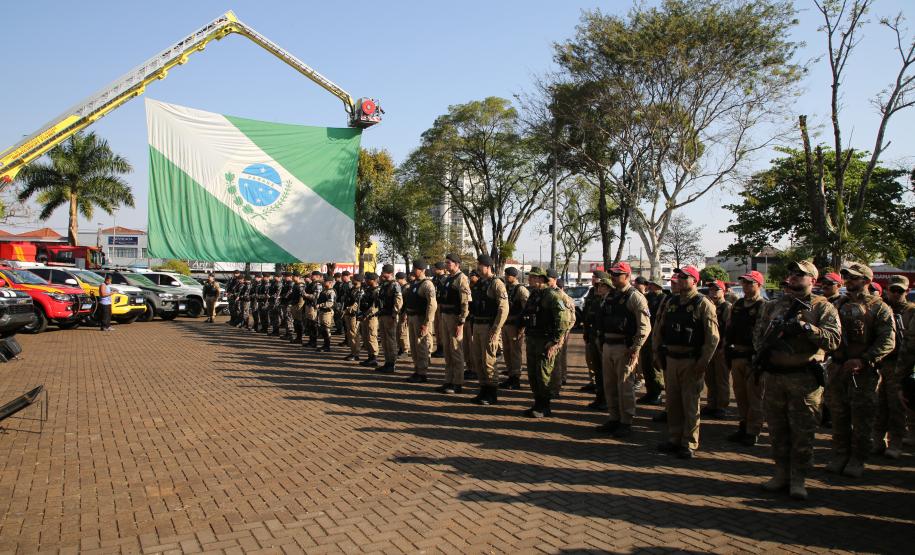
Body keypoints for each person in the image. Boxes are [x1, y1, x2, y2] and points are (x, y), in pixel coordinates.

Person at [756, 260, 840, 499]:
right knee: (777, 429)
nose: (793, 276)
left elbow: (833, 340)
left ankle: (798, 479)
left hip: (804, 379)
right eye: (792, 273)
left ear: (812, 280)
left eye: (800, 274)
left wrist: (807, 328)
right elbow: (759, 334)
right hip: (775, 376)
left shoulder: (822, 307)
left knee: (803, 432)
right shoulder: (773, 305)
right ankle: (781, 473)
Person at [825, 262, 895, 478]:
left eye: (854, 278)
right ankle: (840, 454)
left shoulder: (879, 307)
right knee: (839, 416)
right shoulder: (838, 305)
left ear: (866, 281)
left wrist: (864, 360)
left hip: (863, 372)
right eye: (847, 277)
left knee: (862, 419)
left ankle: (858, 458)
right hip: (838, 368)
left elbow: (888, 340)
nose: (849, 281)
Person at [653, 266, 719, 459]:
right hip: (671, 359)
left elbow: (712, 338)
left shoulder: (703, 303)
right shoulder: (671, 301)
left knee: (690, 403)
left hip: (691, 361)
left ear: (695, 281)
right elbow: (659, 328)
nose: (680, 279)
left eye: (685, 277)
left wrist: (703, 362)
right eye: (679, 276)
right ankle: (674, 438)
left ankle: (689, 442)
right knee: (673, 403)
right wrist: (657, 353)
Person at [595, 262, 651, 438]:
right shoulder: (610, 295)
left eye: (617, 274)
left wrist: (636, 348)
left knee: (625, 386)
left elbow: (644, 327)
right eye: (612, 274)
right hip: (609, 345)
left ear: (627, 276)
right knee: (609, 385)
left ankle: (626, 421)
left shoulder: (635, 297)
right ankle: (614, 418)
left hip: (624, 348)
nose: (613, 277)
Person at [874, 275, 915, 459]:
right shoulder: (881, 308)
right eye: (893, 290)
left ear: (907, 291)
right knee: (878, 405)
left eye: (901, 291)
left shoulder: (911, 311)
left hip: (900, 364)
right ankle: (877, 440)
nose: (897, 294)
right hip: (879, 363)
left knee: (896, 407)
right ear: (887, 290)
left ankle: (895, 443)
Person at [724, 270, 767, 447]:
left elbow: (763, 333)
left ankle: (753, 430)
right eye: (744, 282)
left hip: (752, 357)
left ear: (759, 285)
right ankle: (743, 425)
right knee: (740, 394)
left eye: (750, 283)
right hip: (737, 354)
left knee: (754, 396)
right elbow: (729, 326)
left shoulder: (763, 305)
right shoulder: (738, 304)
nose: (746, 286)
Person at [519, 267, 569, 417]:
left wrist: (554, 341)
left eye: (533, 277)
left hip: (544, 341)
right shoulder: (534, 294)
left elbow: (563, 320)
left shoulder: (552, 295)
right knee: (533, 374)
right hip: (532, 339)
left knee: (543, 374)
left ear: (541, 279)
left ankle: (545, 406)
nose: (529, 279)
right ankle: (537, 404)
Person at [469, 254, 509, 405]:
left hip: (489, 326)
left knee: (488, 360)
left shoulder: (496, 283)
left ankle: (492, 392)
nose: (478, 268)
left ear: (488, 266)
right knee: (478, 360)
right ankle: (483, 389)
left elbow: (503, 308)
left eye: (480, 265)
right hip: (478, 325)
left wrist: (496, 329)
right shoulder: (479, 283)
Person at [436, 254, 471, 394]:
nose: (446, 264)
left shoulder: (461, 278)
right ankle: (448, 380)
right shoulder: (448, 278)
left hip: (455, 318)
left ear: (457, 264)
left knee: (456, 350)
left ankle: (457, 382)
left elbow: (465, 302)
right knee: (447, 351)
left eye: (449, 262)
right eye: (446, 262)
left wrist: (461, 322)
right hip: (445, 316)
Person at [702, 280, 732, 419]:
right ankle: (711, 404)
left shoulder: (727, 307)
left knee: (721, 379)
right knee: (710, 378)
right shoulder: (709, 305)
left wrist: (724, 347)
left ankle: (722, 406)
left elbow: (728, 329)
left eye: (716, 290)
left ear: (723, 291)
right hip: (709, 348)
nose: (713, 292)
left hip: (720, 349)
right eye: (711, 290)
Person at [403, 260, 437, 383]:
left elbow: (432, 305)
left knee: (421, 346)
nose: (413, 270)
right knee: (414, 346)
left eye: (415, 268)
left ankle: (422, 373)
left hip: (420, 319)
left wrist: (426, 323)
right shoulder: (414, 283)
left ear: (422, 270)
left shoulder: (427, 284)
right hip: (412, 317)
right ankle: (417, 370)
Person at [582, 272, 610, 410]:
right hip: (593, 337)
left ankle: (606, 400)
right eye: (598, 286)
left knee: (605, 372)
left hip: (603, 341)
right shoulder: (596, 300)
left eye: (602, 286)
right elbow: (589, 317)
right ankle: (600, 398)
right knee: (597, 370)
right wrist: (587, 333)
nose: (599, 288)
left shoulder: (610, 301)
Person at [499, 267, 529, 391]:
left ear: (514, 276)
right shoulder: (506, 288)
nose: (506, 277)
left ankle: (515, 378)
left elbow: (527, 309)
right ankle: (510, 375)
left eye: (508, 275)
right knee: (507, 351)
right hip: (506, 324)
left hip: (515, 326)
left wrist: (522, 326)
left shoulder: (520, 289)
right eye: (506, 275)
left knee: (515, 352)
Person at [639, 279, 667, 405]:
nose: (649, 286)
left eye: (652, 284)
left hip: (656, 336)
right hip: (646, 336)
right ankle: (650, 392)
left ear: (658, 286)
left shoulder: (664, 298)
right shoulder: (646, 297)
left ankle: (657, 394)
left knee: (655, 367)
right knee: (646, 366)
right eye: (649, 284)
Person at [548, 273, 576, 398]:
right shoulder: (548, 295)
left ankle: (556, 386)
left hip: (560, 332)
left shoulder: (564, 298)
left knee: (557, 360)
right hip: (550, 332)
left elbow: (571, 319)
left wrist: (563, 333)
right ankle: (554, 382)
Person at [376, 264, 403, 373]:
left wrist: (394, 314)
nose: (382, 273)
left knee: (391, 341)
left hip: (390, 316)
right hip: (383, 315)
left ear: (390, 273)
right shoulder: (384, 284)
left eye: (384, 272)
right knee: (384, 340)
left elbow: (398, 301)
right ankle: (387, 362)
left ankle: (392, 363)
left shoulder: (394, 284)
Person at [358, 273, 381, 368]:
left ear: (374, 280)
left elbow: (375, 307)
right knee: (366, 337)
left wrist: (365, 314)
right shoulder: (368, 289)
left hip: (372, 317)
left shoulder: (377, 291)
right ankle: (370, 356)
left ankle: (374, 358)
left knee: (372, 336)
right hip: (365, 316)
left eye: (368, 279)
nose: (366, 281)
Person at [342, 274, 364, 361]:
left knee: (354, 334)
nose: (351, 280)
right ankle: (353, 352)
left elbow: (357, 304)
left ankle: (356, 353)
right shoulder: (352, 289)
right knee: (350, 334)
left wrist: (348, 309)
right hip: (349, 314)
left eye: (353, 279)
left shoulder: (361, 290)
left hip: (354, 315)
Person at [315, 274, 337, 352]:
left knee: (326, 329)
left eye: (325, 281)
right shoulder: (325, 290)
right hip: (322, 311)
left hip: (327, 312)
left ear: (330, 282)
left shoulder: (331, 292)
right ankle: (325, 345)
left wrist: (320, 305)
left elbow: (330, 303)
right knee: (323, 329)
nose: (323, 282)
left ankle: (327, 346)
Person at [303, 271, 324, 348]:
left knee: (313, 324)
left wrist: (306, 295)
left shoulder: (318, 285)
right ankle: (311, 341)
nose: (311, 276)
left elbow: (316, 296)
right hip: (309, 305)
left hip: (313, 306)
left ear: (317, 276)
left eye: (313, 275)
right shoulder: (311, 284)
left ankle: (313, 342)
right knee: (310, 324)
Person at [395, 272, 411, 357]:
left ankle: (405, 350)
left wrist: (406, 313)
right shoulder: (401, 287)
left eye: (398, 279)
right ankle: (401, 348)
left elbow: (408, 302)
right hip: (400, 312)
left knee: (403, 331)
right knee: (399, 331)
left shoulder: (407, 288)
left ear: (403, 279)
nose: (397, 280)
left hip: (404, 312)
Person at [288, 272, 305, 344]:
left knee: (299, 322)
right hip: (294, 304)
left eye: (293, 276)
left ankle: (299, 338)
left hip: (298, 305)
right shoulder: (295, 284)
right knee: (296, 322)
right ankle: (298, 337)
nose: (292, 277)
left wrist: (299, 306)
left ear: (298, 277)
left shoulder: (301, 285)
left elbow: (302, 296)